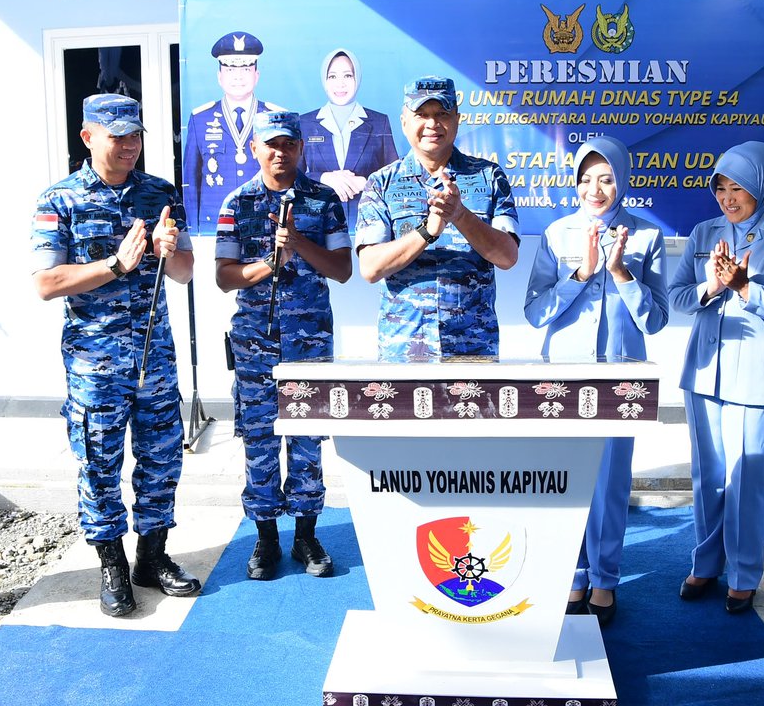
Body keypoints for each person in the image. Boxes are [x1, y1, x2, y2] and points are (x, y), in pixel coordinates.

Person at [31, 93, 200, 617]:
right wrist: (117, 265)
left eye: (135, 136)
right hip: (95, 364)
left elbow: (186, 272)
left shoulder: (159, 193)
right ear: (87, 137)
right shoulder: (58, 200)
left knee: (161, 459)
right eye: (117, 136)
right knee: (99, 464)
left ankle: (152, 556)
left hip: (154, 358)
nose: (129, 146)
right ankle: (112, 565)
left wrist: (168, 253)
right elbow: (46, 282)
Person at [523, 136, 669, 627]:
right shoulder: (556, 234)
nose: (595, 188)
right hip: (563, 377)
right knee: (565, 477)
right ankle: (574, 571)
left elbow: (656, 322)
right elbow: (535, 313)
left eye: (606, 178)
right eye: (586, 178)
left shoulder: (646, 237)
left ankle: (606, 578)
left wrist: (621, 274)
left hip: (620, 376)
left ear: (622, 180)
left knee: (609, 483)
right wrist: (582, 272)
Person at [668, 141, 764, 614]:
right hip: (705, 373)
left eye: (740, 188)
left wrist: (746, 288)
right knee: (708, 477)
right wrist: (711, 287)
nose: (728, 198)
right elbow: (678, 299)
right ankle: (706, 564)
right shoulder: (703, 232)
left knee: (747, 478)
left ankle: (744, 573)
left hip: (756, 376)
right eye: (721, 187)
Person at [215, 110, 352, 580]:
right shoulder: (238, 202)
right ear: (255, 148)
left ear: (300, 148)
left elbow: (342, 269)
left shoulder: (324, 199)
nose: (280, 152)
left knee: (308, 438)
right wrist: (269, 264)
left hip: (309, 343)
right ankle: (266, 538)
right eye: (270, 144)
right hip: (256, 344)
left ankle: (307, 536)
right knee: (258, 439)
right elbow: (223, 276)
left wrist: (299, 243)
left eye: (288, 144)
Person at [356, 76, 519, 359]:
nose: (432, 124)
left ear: (457, 118)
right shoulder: (381, 183)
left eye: (442, 114)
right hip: (404, 351)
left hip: (473, 351)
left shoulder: (490, 177)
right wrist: (426, 232)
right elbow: (370, 268)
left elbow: (507, 257)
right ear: (404, 121)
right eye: (422, 114)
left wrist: (460, 215)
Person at [182, 32, 282, 231]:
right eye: (230, 69)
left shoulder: (276, 117)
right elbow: (190, 182)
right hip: (214, 226)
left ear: (257, 75)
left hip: (265, 223)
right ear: (220, 76)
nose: (238, 76)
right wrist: (194, 230)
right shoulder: (200, 118)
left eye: (246, 68)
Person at [299, 48, 398, 224]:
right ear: (324, 80)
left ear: (357, 78)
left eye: (347, 76)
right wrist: (324, 178)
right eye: (333, 76)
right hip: (318, 225)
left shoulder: (378, 122)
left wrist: (368, 183)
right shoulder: (305, 123)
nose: (340, 84)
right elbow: (292, 177)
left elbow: (395, 179)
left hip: (369, 223)